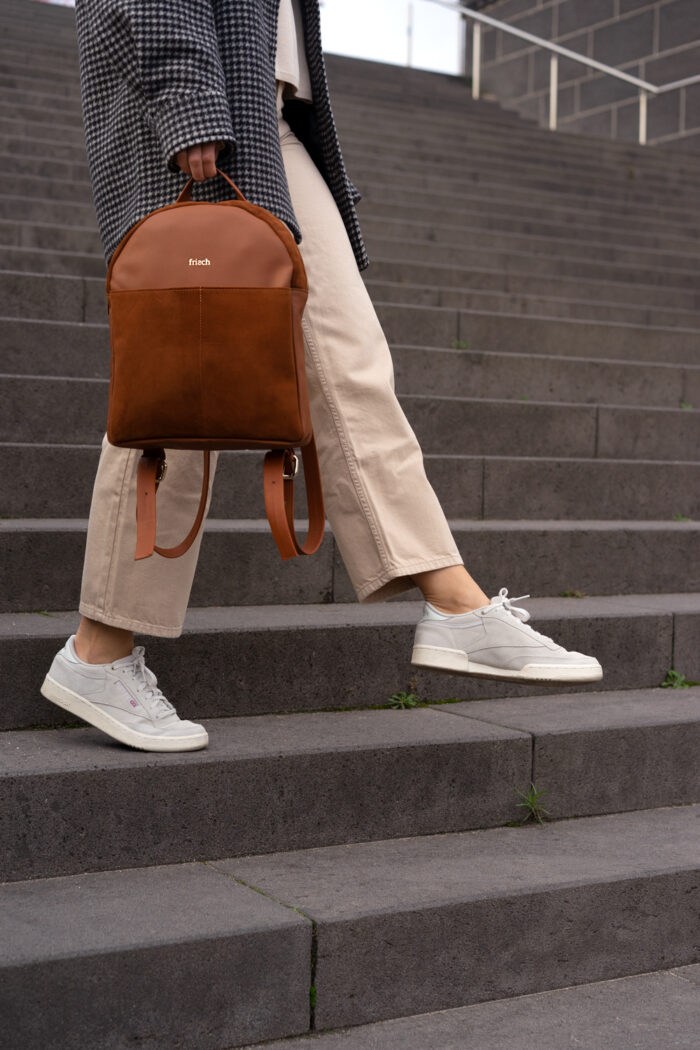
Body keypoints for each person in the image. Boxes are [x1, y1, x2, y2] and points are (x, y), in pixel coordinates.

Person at [40, 0, 602, 753]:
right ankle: (97, 653)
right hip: (194, 110)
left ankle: (452, 598)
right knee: (178, 391)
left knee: (343, 359)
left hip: (265, 117)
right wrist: (186, 97)